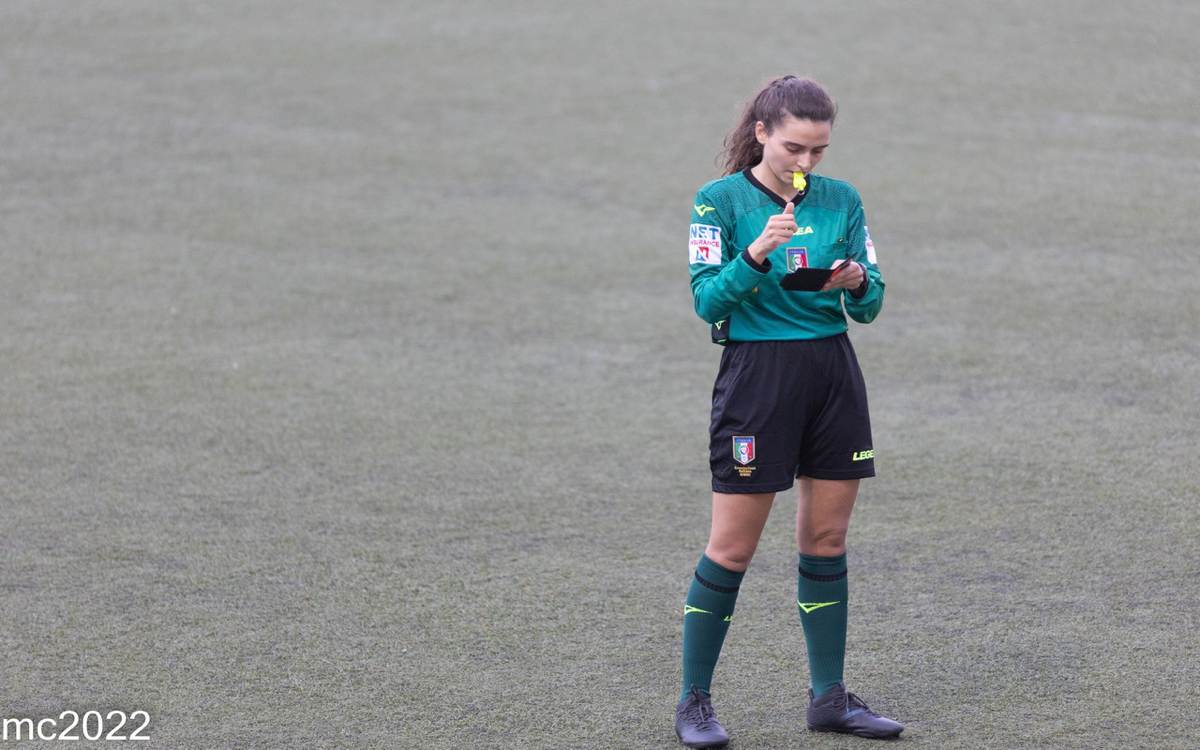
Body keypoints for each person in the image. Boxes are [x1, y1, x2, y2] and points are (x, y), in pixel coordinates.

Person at [675, 76, 904, 748]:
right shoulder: (717, 201)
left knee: (827, 539)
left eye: (818, 151)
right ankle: (694, 702)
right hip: (758, 378)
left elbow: (871, 303)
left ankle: (828, 698)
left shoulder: (842, 200)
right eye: (794, 148)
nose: (806, 162)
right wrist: (756, 254)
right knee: (733, 547)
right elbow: (707, 302)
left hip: (831, 373)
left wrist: (857, 282)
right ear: (762, 134)